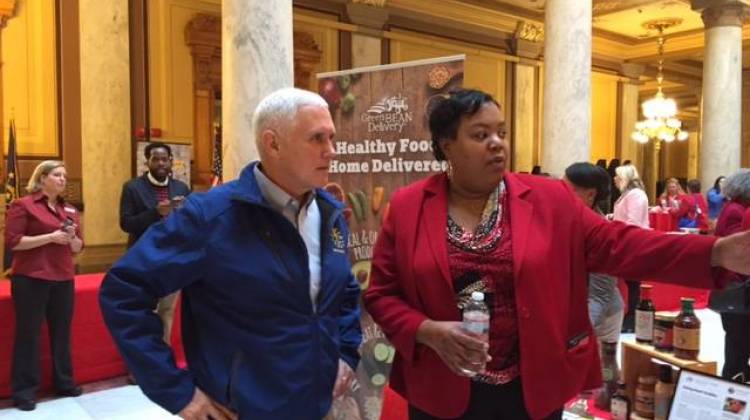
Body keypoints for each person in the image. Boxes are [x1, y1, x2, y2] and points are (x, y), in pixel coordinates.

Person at [362, 89, 750, 420]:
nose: (497, 143)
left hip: (531, 385)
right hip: (441, 386)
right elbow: (381, 294)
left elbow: (620, 244)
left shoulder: (548, 199)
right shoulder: (410, 206)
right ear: (447, 145)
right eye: (480, 134)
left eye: (501, 132)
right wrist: (427, 331)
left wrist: (714, 252)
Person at [99, 88, 362, 419]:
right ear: (273, 143)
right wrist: (176, 392)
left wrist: (347, 353)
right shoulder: (210, 217)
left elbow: (344, 291)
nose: (331, 151)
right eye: (317, 139)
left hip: (317, 405)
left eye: (332, 137)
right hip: (241, 410)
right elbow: (123, 291)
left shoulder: (330, 214)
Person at [4, 160, 84, 411]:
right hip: (31, 278)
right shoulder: (23, 205)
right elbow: (14, 242)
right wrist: (50, 237)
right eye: (57, 175)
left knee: (61, 334)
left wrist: (71, 239)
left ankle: (64, 382)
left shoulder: (69, 209)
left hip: (63, 277)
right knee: (29, 335)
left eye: (65, 175)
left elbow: (78, 247)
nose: (63, 179)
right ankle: (25, 392)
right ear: (42, 178)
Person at [119, 141, 191, 346]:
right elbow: (126, 223)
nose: (161, 163)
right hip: (144, 259)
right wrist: (156, 213)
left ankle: (163, 359)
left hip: (172, 259)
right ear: (147, 162)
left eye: (164, 159)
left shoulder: (181, 187)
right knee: (143, 311)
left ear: (171, 162)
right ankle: (141, 362)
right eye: (155, 159)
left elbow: (190, 221)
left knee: (167, 311)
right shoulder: (133, 187)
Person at [563, 163, 623, 346]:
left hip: (602, 316)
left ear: (590, 194)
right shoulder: (566, 220)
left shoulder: (601, 231)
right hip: (576, 313)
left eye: (568, 190)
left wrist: (575, 335)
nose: (561, 195)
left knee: (604, 372)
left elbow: (600, 295)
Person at [712, 169, 750, 381]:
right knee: (738, 341)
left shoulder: (733, 207)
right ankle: (733, 382)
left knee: (737, 339)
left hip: (733, 282)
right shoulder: (737, 211)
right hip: (736, 284)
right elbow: (739, 246)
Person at [609, 164, 649, 333]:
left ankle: (632, 319)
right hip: (625, 240)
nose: (615, 179)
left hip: (632, 243)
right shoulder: (628, 194)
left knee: (633, 284)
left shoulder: (636, 195)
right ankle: (630, 317)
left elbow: (633, 221)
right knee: (630, 282)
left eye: (618, 176)